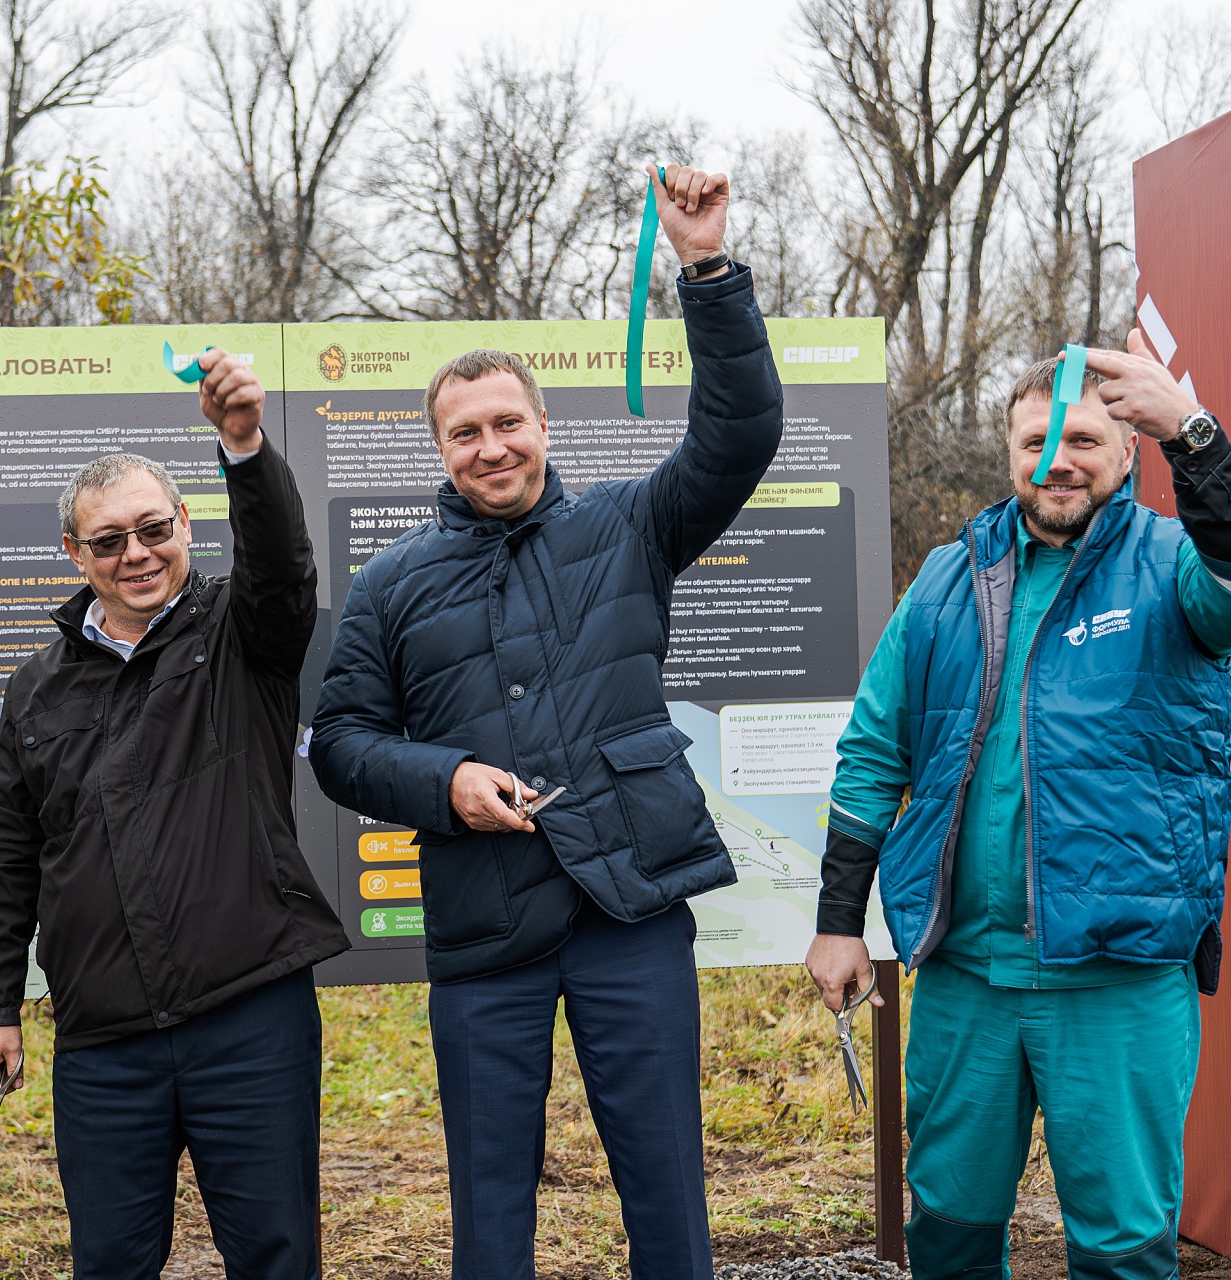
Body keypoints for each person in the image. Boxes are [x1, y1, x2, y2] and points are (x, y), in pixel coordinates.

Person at [309, 164, 783, 1280]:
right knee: (491, 1205)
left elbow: (741, 432)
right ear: (440, 450)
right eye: (465, 432)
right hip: (486, 933)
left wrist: (706, 269)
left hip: (632, 909)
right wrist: (445, 781)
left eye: (506, 422)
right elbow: (337, 742)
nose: (491, 446)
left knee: (668, 1186)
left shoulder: (630, 525)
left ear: (542, 423)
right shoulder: (388, 587)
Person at [805, 337, 1231, 1280]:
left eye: (1082, 441)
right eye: (1035, 443)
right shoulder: (947, 580)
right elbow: (872, 754)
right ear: (1010, 454)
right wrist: (837, 923)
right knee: (945, 1228)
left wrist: (1196, 436)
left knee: (1121, 1247)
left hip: (1119, 978)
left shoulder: (1175, 564)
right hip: (964, 977)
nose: (1056, 461)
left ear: (1128, 452)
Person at [0, 349, 349, 1280]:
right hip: (102, 1040)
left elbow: (281, 566)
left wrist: (244, 445)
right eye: (108, 541)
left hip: (248, 1017)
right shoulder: (36, 686)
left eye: (152, 529)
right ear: (75, 554)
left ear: (185, 524)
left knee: (276, 1255)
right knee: (111, 1263)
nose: (135, 554)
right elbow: (8, 849)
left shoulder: (241, 633)